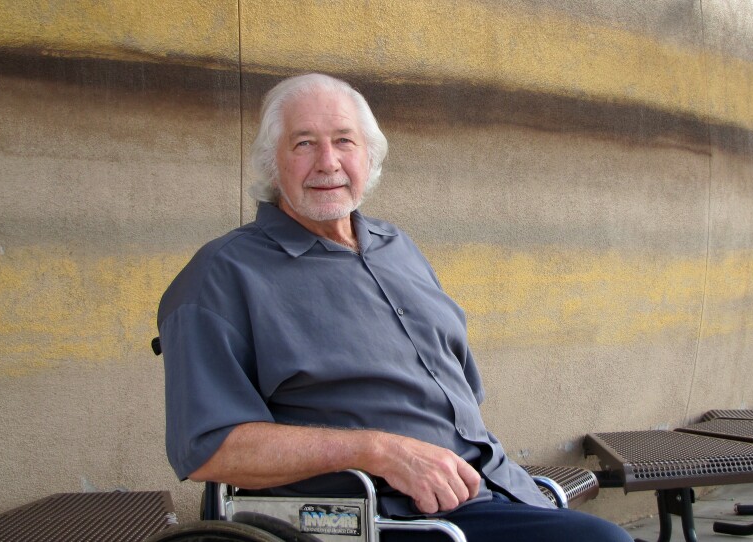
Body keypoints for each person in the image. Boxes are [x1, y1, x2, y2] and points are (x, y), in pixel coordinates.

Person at [157, 73, 632, 542]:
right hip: (381, 519)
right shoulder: (223, 273)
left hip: (496, 488)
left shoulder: (395, 245)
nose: (328, 162)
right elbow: (208, 447)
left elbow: (460, 388)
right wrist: (378, 450)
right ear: (271, 161)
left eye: (344, 141)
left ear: (368, 156)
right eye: (304, 144)